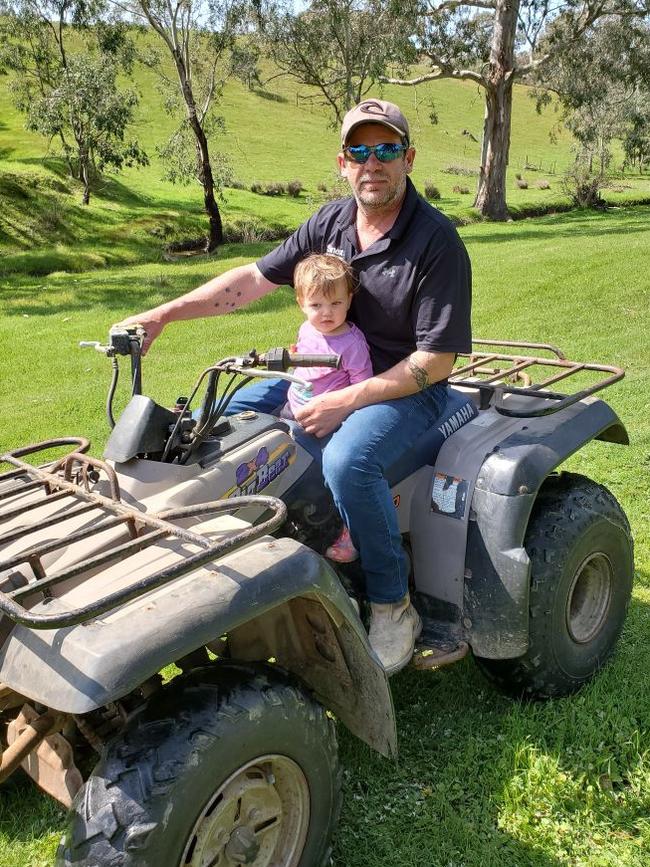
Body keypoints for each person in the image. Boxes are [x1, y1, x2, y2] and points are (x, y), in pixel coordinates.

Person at [121, 98, 472, 675]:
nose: (372, 163)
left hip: (407, 386)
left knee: (349, 461)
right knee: (231, 414)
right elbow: (249, 282)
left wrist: (347, 400)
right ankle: (243, 542)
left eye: (386, 150)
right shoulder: (329, 224)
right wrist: (163, 314)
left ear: (408, 159)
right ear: (342, 162)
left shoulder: (436, 243)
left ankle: (392, 604)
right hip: (324, 365)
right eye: (360, 151)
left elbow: (437, 361)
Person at [283, 252, 373, 563]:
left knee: (335, 470)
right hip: (295, 407)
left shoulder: (352, 344)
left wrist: (340, 409)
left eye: (335, 304)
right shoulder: (307, 329)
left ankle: (348, 526)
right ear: (301, 304)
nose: (326, 313)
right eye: (316, 305)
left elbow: (363, 386)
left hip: (331, 420)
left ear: (349, 300)